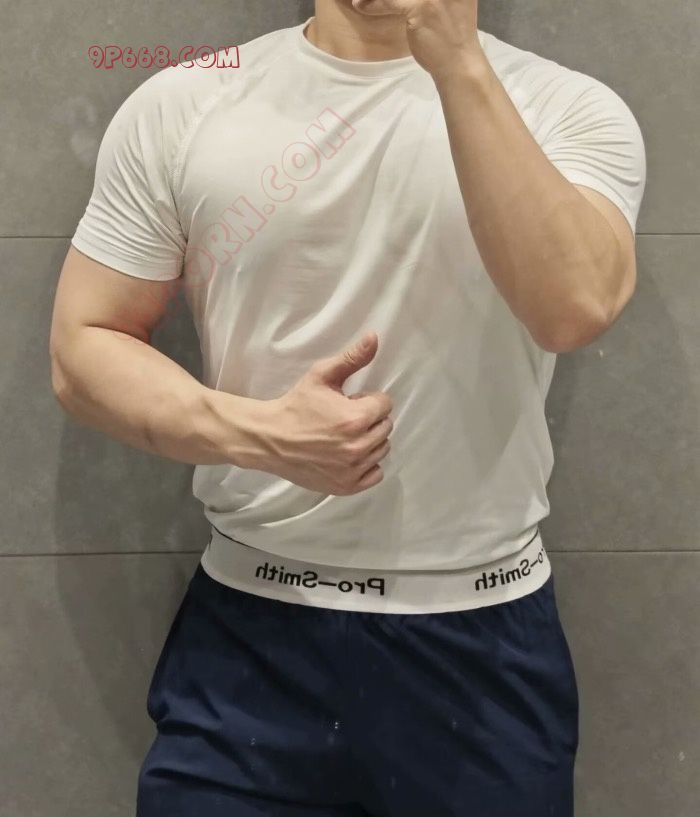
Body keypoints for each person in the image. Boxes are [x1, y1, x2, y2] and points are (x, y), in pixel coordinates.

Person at [49, 1, 647, 815]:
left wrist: (457, 62)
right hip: (254, 639)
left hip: (481, 642)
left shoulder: (566, 107)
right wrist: (258, 433)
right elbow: (83, 348)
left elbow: (574, 308)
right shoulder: (187, 101)